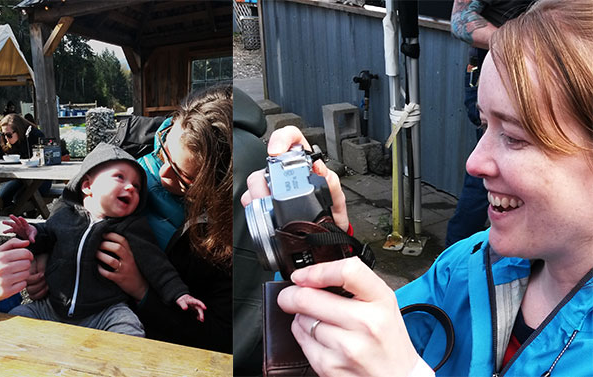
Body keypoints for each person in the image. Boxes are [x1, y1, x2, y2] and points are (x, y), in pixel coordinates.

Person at [242, 1, 593, 375]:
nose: (473, 163)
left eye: (514, 137)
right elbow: (357, 347)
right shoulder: (466, 267)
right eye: (484, 124)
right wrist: (321, 248)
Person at [27, 85, 234, 352]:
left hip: (130, 320)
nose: (163, 174)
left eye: (184, 178)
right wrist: (46, 254)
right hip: (58, 301)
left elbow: (215, 335)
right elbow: (74, 197)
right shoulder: (131, 139)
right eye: (164, 152)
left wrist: (140, 289)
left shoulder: (228, 231)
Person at [4, 143, 206, 336]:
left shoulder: (131, 227)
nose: (130, 188)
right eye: (120, 177)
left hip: (105, 311)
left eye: (137, 186)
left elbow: (157, 264)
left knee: (130, 328)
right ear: (87, 186)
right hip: (52, 306)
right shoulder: (64, 214)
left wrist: (179, 293)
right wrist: (31, 233)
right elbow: (46, 235)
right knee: (16, 318)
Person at [445, 0, 535, 247]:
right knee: (489, 174)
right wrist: (522, 46)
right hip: (500, 77)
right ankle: (454, 264)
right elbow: (461, 19)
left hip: (552, 84)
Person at [0, 114, 51, 209]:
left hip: (40, 180)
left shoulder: (34, 136)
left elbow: (45, 161)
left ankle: (21, 217)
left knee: (19, 199)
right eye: (3, 134)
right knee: (2, 198)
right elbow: (1, 157)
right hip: (20, 179)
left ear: (18, 130)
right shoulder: (7, 140)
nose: (6, 138)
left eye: (9, 135)